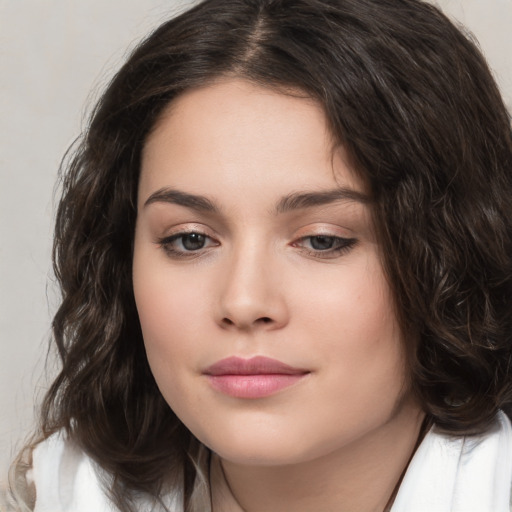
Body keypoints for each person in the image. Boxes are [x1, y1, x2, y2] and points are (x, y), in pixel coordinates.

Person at [8, 0, 512, 510]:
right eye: (190, 239)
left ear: (453, 255)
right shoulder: (66, 492)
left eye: (322, 240)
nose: (244, 302)